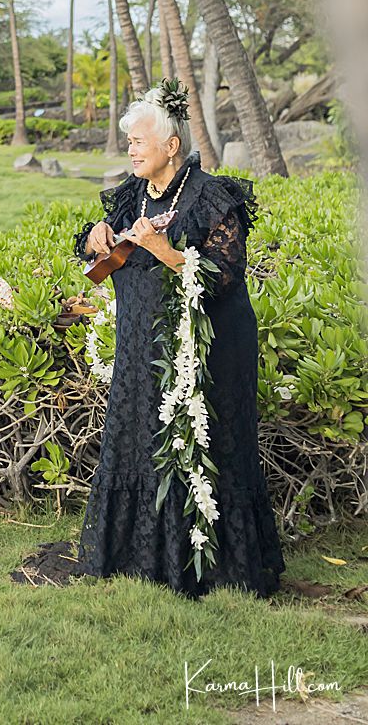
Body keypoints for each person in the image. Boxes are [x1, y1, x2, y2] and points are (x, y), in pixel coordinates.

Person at [75, 82, 284, 597]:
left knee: (207, 441)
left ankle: (214, 565)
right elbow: (98, 257)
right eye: (129, 142)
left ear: (171, 146)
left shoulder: (211, 196)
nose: (132, 149)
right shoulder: (129, 195)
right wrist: (95, 238)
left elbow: (222, 277)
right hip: (140, 348)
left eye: (140, 141)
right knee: (140, 438)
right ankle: (139, 556)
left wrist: (163, 248)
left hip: (209, 349)